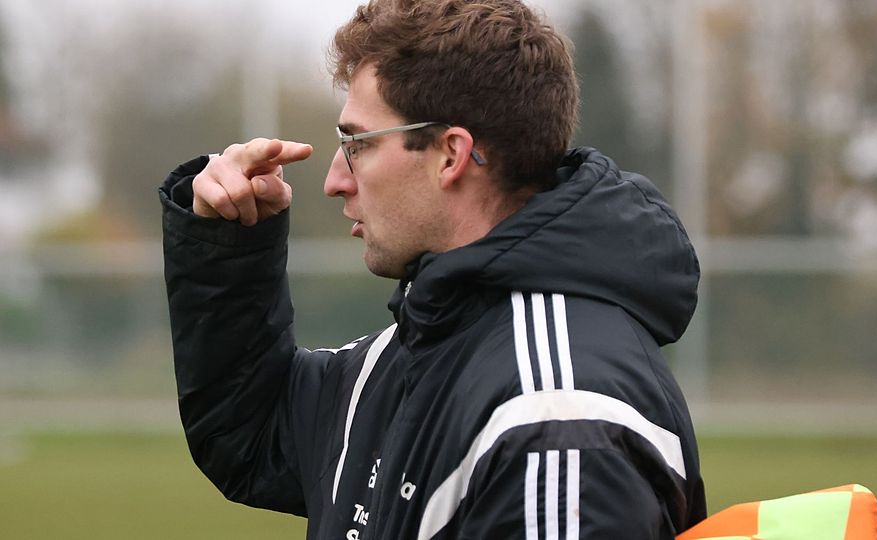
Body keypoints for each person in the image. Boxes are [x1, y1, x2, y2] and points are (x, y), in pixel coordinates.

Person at [159, 0, 705, 538]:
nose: (335, 181)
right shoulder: (427, 342)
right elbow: (251, 437)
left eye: (357, 144)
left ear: (450, 155)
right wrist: (229, 241)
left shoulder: (555, 420)